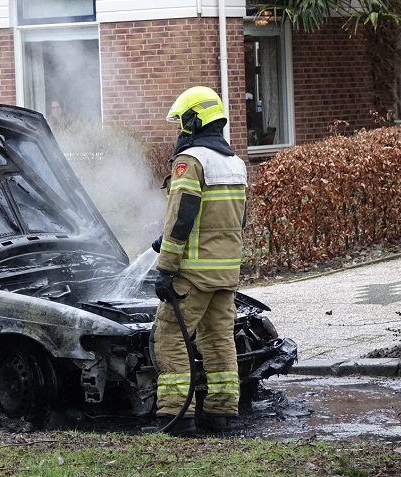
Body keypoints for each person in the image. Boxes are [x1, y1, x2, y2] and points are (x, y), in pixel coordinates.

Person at [151, 86, 247, 436]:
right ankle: (222, 412)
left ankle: (176, 416)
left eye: (183, 121)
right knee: (219, 338)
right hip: (226, 271)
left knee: (170, 336)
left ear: (195, 119)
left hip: (192, 273)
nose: (181, 129)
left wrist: (166, 266)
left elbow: (183, 214)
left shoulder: (190, 161)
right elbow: (232, 219)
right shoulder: (235, 163)